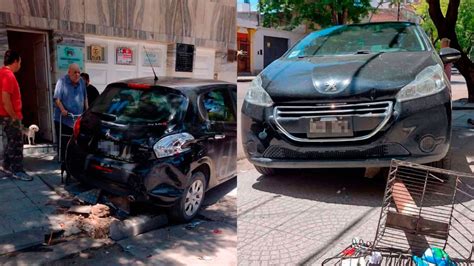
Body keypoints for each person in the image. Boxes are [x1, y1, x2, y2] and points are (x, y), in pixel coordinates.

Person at [0, 50, 32, 181]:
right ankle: (17, 171)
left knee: (9, 143)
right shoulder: (8, 75)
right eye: (20, 62)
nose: (20, 65)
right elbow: (5, 98)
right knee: (16, 144)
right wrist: (14, 116)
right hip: (10, 116)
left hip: (4, 115)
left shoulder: (1, 73)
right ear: (15, 61)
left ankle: (6, 166)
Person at [54, 63, 88, 163]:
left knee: (76, 141)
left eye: (79, 72)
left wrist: (87, 110)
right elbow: (57, 99)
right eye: (75, 72)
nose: (77, 74)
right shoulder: (62, 81)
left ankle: (73, 160)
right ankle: (64, 161)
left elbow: (85, 97)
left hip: (77, 118)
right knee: (64, 142)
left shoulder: (81, 81)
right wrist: (62, 109)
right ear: (69, 73)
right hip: (64, 118)